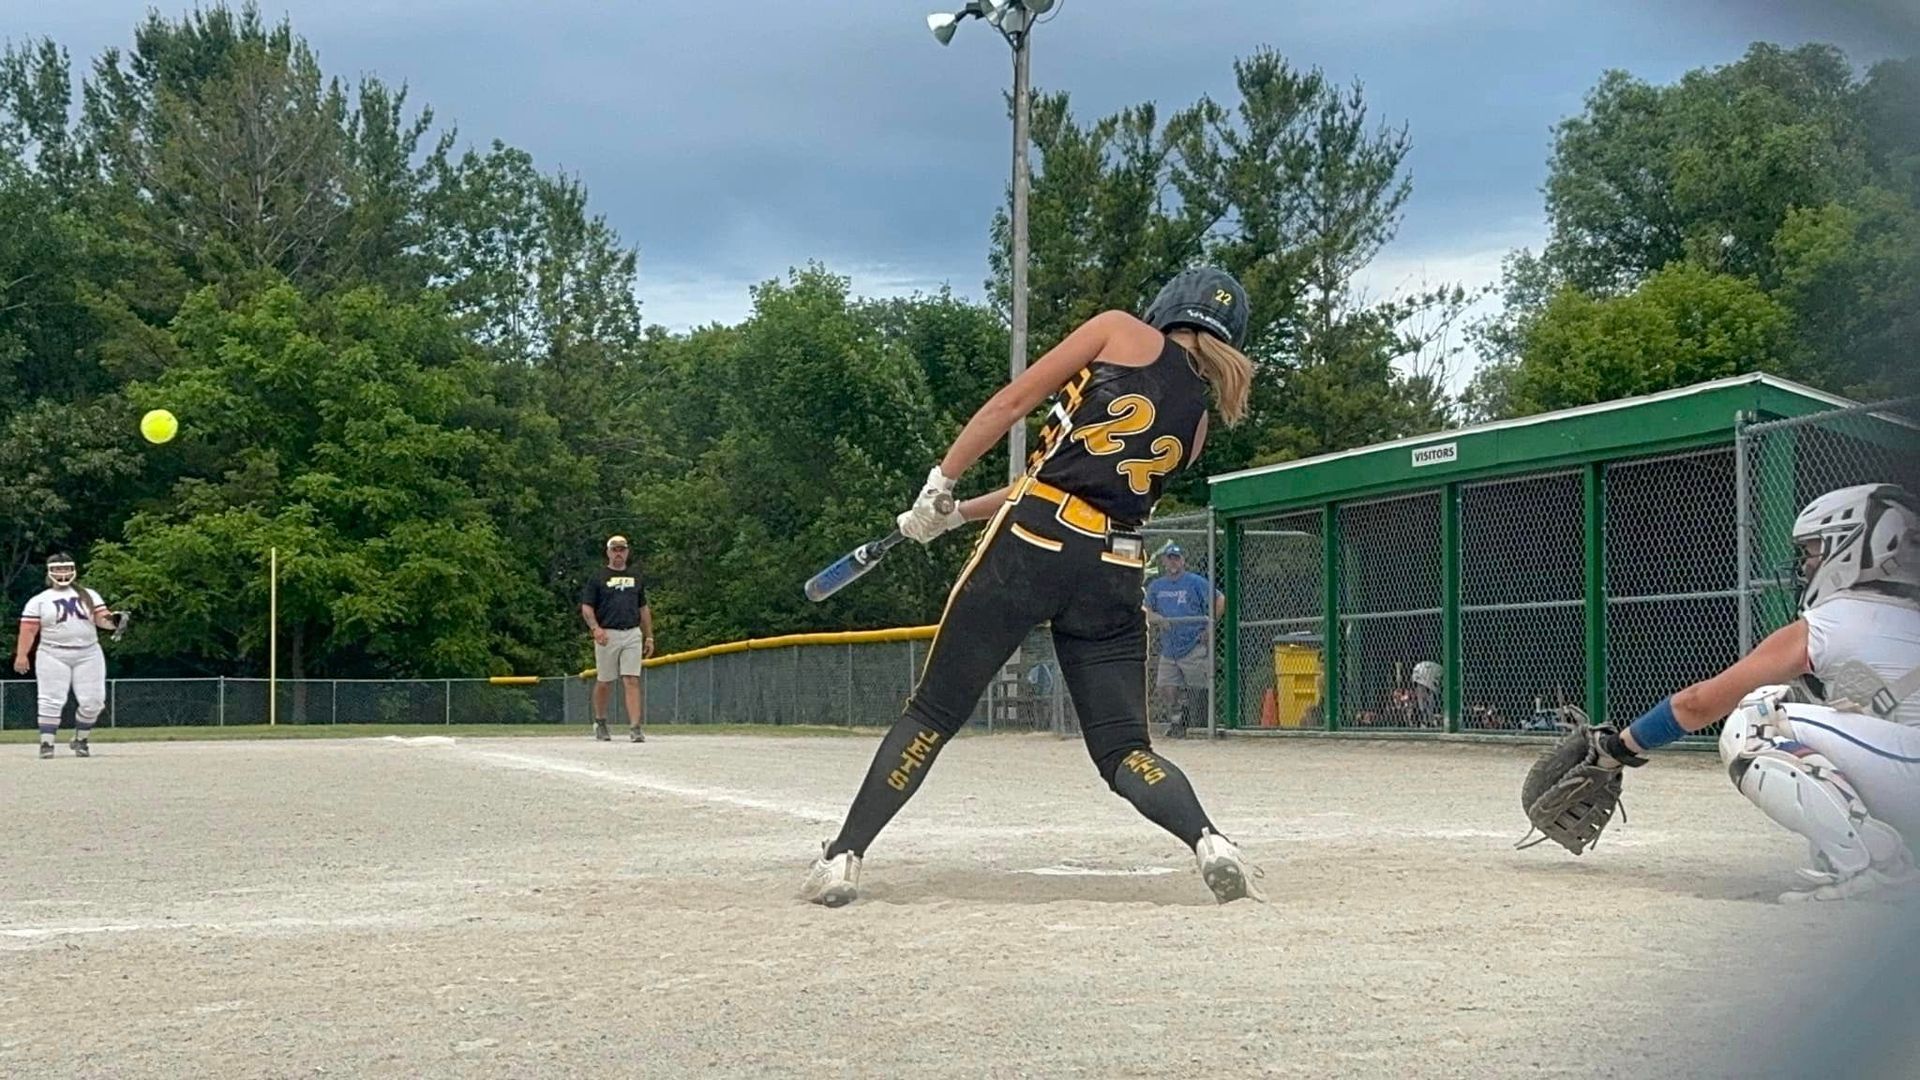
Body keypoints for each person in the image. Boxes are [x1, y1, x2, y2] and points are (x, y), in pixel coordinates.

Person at [803, 267, 1264, 907]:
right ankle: (1210, 841)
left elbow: (1010, 405)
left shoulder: (1118, 329)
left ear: (1167, 307)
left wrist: (941, 484)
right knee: (1124, 749)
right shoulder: (1198, 424)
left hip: (1034, 542)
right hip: (1115, 566)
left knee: (934, 712)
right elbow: (1088, 484)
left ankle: (844, 856)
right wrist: (956, 517)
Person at [1571, 484, 1920, 902]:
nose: (1806, 566)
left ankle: (1879, 870)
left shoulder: (1838, 619)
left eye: (1813, 551)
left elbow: (1699, 703)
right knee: (1812, 708)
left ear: (1855, 548)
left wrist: (1617, 747)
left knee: (1756, 722)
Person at [13, 553, 123, 759]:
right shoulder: (40, 600)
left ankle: (81, 739)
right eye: (58, 569)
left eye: (66, 568)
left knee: (94, 701)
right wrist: (22, 655)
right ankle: (47, 743)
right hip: (52, 652)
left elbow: (101, 618)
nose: (62, 573)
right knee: (50, 699)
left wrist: (113, 621)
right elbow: (28, 629)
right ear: (49, 571)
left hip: (88, 652)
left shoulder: (89, 595)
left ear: (73, 570)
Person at [1143, 544, 1223, 738]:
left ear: (1183, 561)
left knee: (1199, 686)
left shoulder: (1194, 582)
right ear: (1163, 561)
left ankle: (1200, 725)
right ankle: (1177, 719)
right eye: (1169, 558)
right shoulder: (1157, 586)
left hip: (1193, 643)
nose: (1173, 562)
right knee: (1165, 686)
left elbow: (1220, 599)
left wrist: (1209, 626)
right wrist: (1157, 618)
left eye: (1176, 558)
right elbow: (1145, 609)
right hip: (1169, 646)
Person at [579, 535, 654, 743]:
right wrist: (595, 628)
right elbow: (587, 606)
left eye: (622, 549)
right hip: (607, 633)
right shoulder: (598, 578)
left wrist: (649, 636)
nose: (618, 553)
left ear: (627, 552)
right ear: (608, 552)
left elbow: (643, 608)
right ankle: (601, 721)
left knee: (631, 679)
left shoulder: (636, 577)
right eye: (615, 550)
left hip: (631, 632)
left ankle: (635, 727)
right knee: (605, 680)